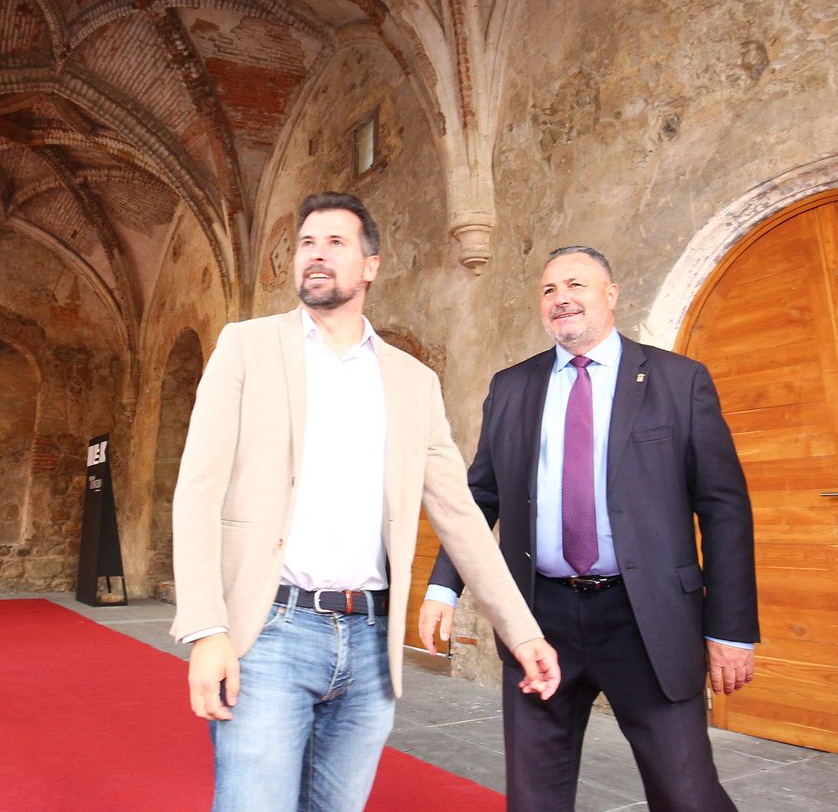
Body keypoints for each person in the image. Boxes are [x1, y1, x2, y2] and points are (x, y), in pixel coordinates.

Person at [170, 191, 560, 812]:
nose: (315, 256)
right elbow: (197, 492)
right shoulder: (246, 347)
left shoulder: (412, 381)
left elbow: (459, 516)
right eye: (305, 244)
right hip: (270, 632)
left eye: (334, 243)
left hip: (373, 644)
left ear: (370, 265)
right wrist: (207, 629)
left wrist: (522, 632)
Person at [424, 245, 759, 811]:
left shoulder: (678, 381)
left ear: (611, 294)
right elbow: (479, 496)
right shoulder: (511, 388)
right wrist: (443, 585)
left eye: (576, 285)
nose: (562, 299)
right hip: (539, 619)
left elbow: (724, 507)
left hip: (645, 618)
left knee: (687, 793)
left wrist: (730, 628)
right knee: (535, 797)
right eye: (549, 290)